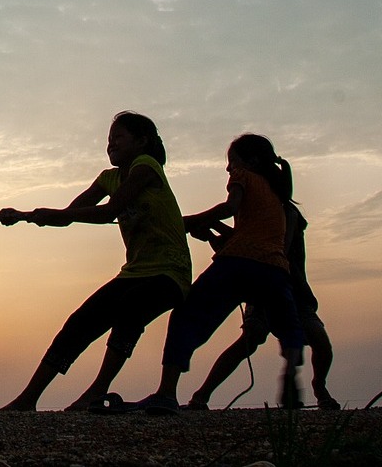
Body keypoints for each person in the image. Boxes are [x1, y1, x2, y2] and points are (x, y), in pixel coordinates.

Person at [0, 112, 192, 412]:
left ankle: (96, 390)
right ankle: (28, 399)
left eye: (118, 138)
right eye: (108, 140)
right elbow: (71, 213)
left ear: (142, 141)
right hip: (135, 272)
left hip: (170, 272)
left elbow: (109, 211)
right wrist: (24, 215)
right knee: (81, 321)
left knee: (131, 308)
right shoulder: (108, 178)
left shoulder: (146, 166)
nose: (111, 145)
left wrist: (55, 215)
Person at [131, 133, 306, 414]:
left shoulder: (244, 177)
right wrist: (210, 231)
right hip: (275, 270)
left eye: (232, 162)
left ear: (250, 162)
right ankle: (291, 375)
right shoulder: (279, 199)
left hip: (237, 264)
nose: (228, 168)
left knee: (188, 315)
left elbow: (229, 208)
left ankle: (166, 392)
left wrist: (185, 222)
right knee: (289, 325)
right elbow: (252, 236)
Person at [183, 204, 339, 411]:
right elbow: (243, 242)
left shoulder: (286, 212)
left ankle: (319, 387)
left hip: (292, 290)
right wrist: (213, 233)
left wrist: (213, 227)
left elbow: (277, 246)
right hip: (261, 287)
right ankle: (201, 396)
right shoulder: (250, 207)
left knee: (320, 340)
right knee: (250, 339)